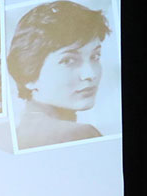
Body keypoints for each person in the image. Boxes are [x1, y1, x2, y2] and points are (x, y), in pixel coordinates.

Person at [7, 0, 110, 149]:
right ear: (28, 75)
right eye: (68, 60)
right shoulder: (79, 134)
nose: (90, 74)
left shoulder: (21, 133)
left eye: (95, 56)